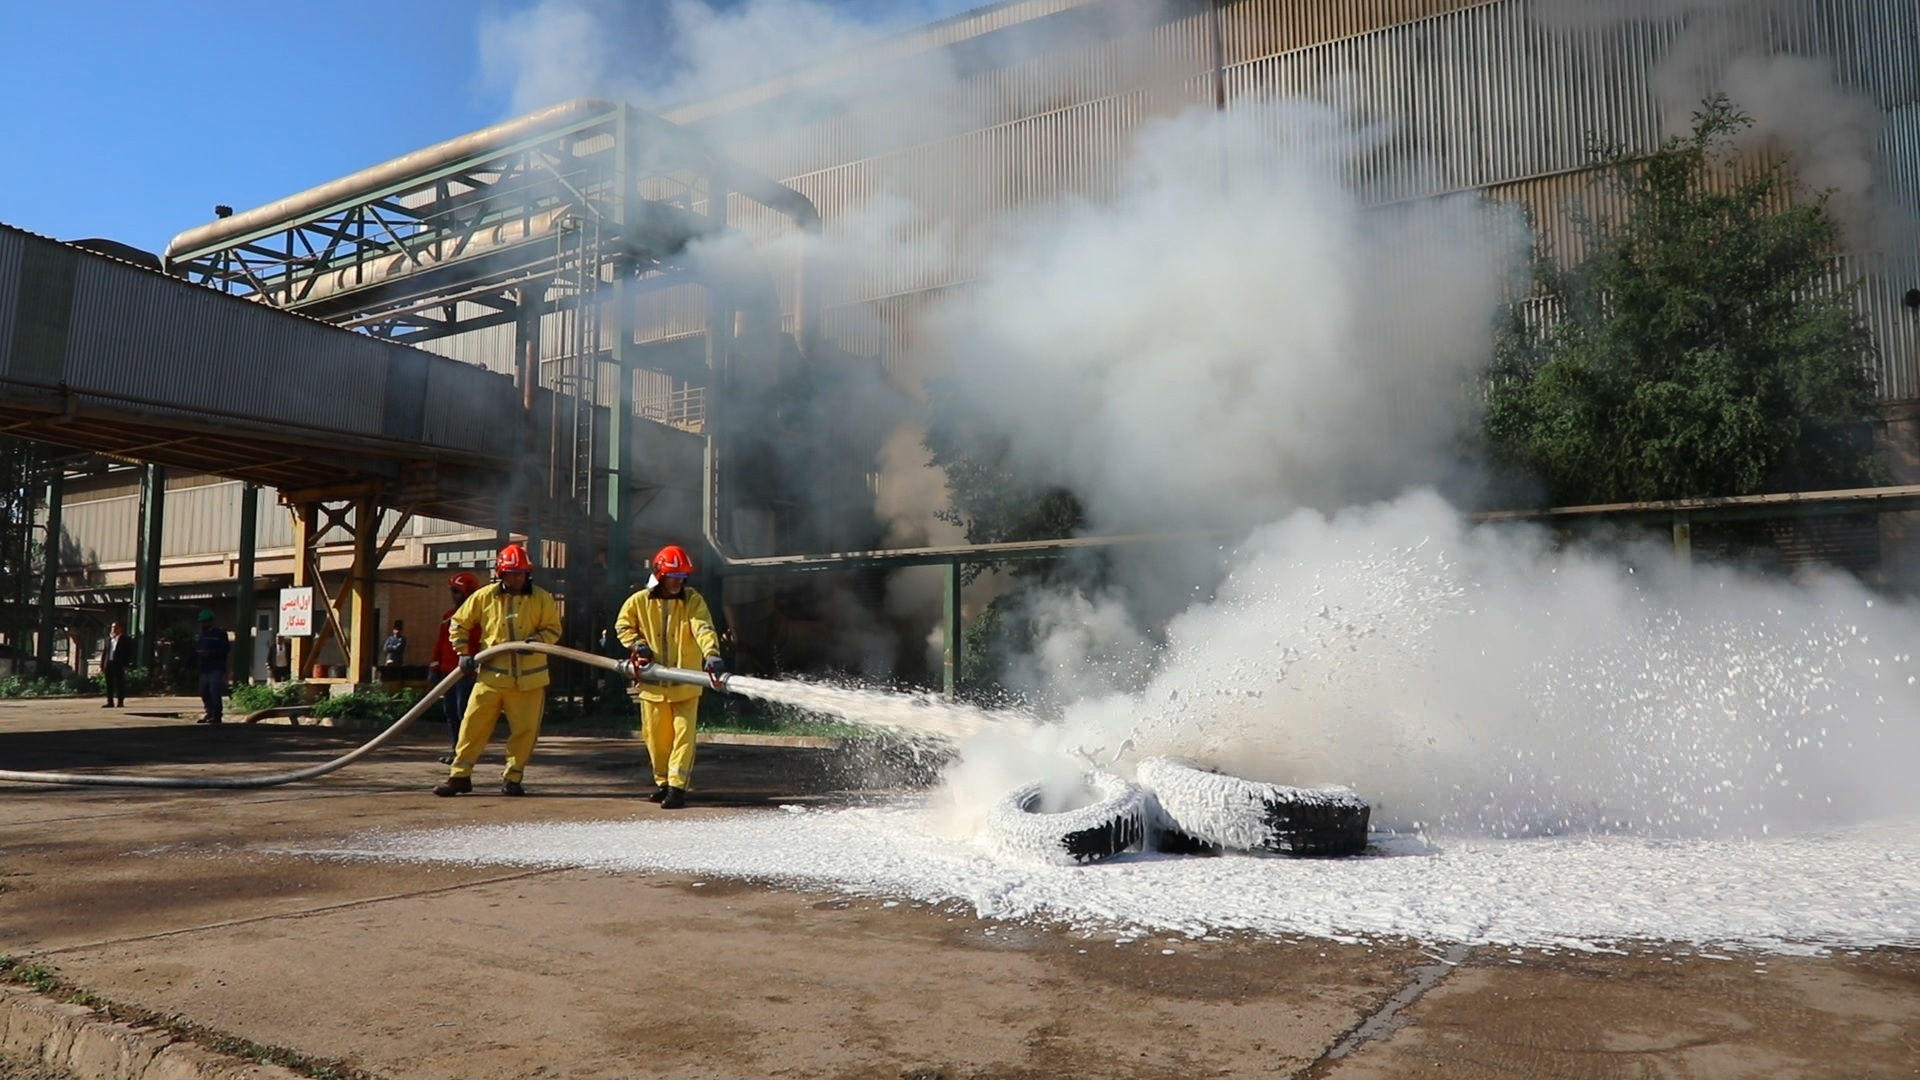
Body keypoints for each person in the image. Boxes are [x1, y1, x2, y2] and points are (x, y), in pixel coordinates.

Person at [434, 545, 561, 797]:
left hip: (529, 682)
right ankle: (459, 776)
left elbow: (554, 630)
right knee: (472, 727)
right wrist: (464, 653)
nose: (518, 578)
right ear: (501, 572)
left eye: (522, 573)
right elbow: (458, 623)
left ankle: (513, 778)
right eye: (513, 573)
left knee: (525, 733)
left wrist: (535, 641)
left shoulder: (542, 598)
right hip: (491, 678)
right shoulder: (484, 597)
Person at [615, 544, 724, 809]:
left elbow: (702, 627)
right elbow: (622, 625)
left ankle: (677, 788)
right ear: (660, 575)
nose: (678, 582)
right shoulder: (639, 601)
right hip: (652, 686)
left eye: (682, 578)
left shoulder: (693, 600)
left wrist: (711, 653)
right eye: (674, 577)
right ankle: (663, 783)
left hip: (686, 685)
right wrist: (637, 644)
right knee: (656, 740)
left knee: (683, 738)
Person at [428, 572, 482, 764]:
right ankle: (456, 750)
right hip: (447, 672)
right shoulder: (448, 616)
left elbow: (482, 644)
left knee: (464, 714)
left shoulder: (479, 618)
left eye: (456, 591)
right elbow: (440, 643)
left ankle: (466, 753)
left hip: (467, 673)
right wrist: (434, 668)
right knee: (451, 713)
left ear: (469, 593)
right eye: (452, 590)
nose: (453, 594)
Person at [193, 610, 230, 725]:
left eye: (205, 622)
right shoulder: (201, 635)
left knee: (215, 691)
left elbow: (226, 649)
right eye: (202, 622)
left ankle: (217, 715)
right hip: (204, 668)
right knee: (204, 691)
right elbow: (194, 651)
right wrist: (187, 665)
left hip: (216, 668)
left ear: (211, 621)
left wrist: (211, 653)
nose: (203, 624)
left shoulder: (219, 634)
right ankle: (209, 712)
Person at [100, 621, 133, 708]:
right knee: (109, 684)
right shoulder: (108, 639)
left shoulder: (125, 640)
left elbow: (128, 653)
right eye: (112, 627)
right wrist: (102, 665)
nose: (113, 629)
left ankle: (120, 702)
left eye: (115, 627)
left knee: (120, 683)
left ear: (120, 628)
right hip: (109, 664)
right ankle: (110, 702)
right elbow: (105, 653)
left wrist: (126, 665)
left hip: (119, 664)